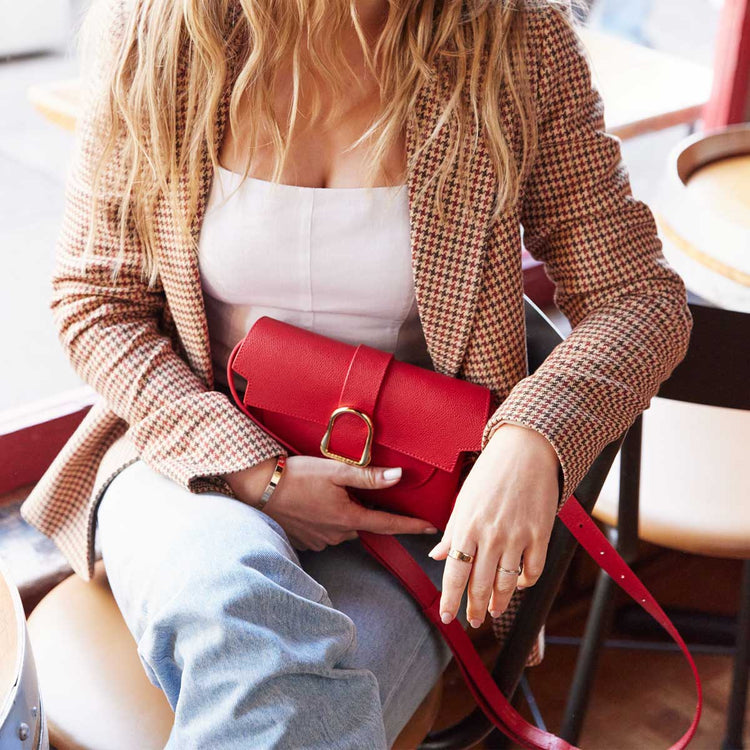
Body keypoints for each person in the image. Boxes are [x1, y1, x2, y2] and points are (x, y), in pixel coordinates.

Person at [20, 0, 693, 746]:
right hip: (188, 462)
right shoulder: (158, 29)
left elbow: (639, 298)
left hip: (406, 510)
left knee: (287, 698)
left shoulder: (515, 43)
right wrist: (257, 474)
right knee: (241, 609)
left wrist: (532, 435)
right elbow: (96, 301)